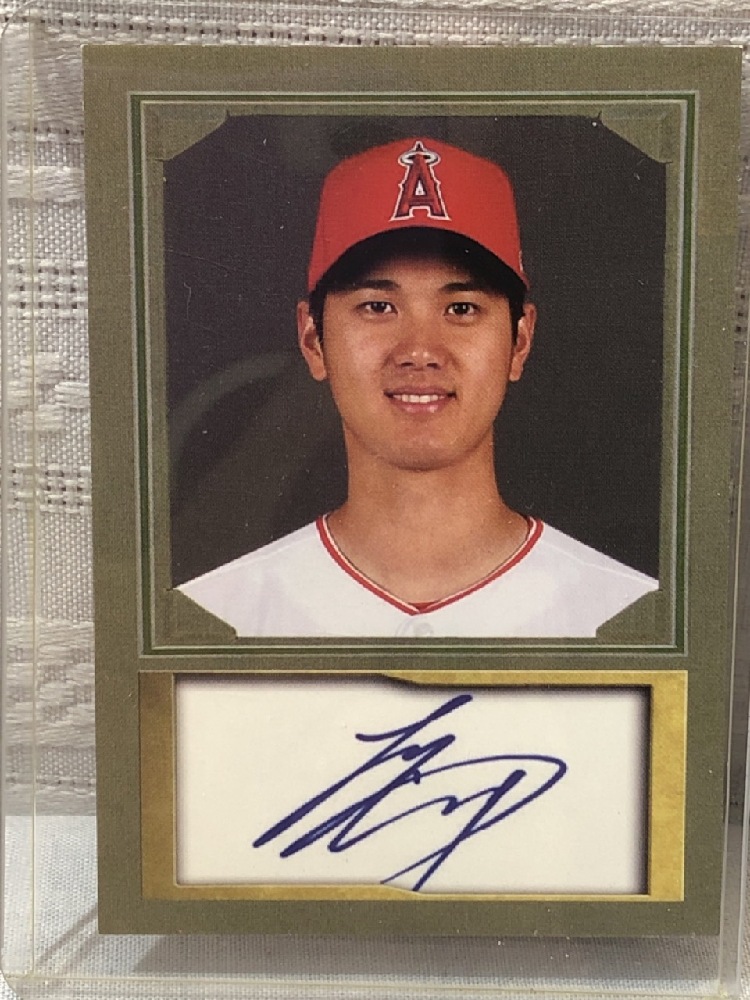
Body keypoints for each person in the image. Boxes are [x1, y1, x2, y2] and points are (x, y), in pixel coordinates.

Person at [178, 137, 658, 637]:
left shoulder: (627, 617)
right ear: (313, 339)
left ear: (520, 341)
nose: (421, 350)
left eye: (462, 308)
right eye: (378, 306)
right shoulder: (214, 619)